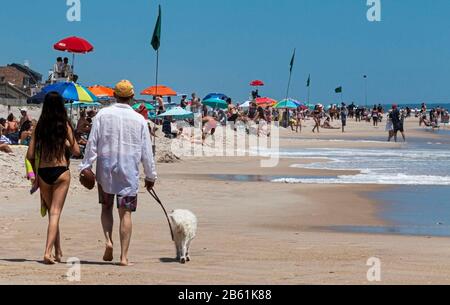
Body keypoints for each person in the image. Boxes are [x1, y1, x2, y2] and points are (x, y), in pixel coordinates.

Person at [79, 80, 157, 267]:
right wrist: (150, 175)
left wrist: (86, 165)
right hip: (129, 170)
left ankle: (108, 241)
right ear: (131, 97)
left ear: (114, 95)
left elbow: (92, 142)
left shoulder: (102, 115)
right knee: (126, 213)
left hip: (105, 168)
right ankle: (124, 257)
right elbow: (147, 151)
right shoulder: (139, 119)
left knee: (106, 207)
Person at [26, 92, 81, 264]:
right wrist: (65, 143)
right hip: (61, 172)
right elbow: (77, 151)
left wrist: (31, 175)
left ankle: (58, 251)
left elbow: (30, 154)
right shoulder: (64, 125)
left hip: (43, 172)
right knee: (55, 213)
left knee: (52, 213)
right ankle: (47, 252)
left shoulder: (40, 126)